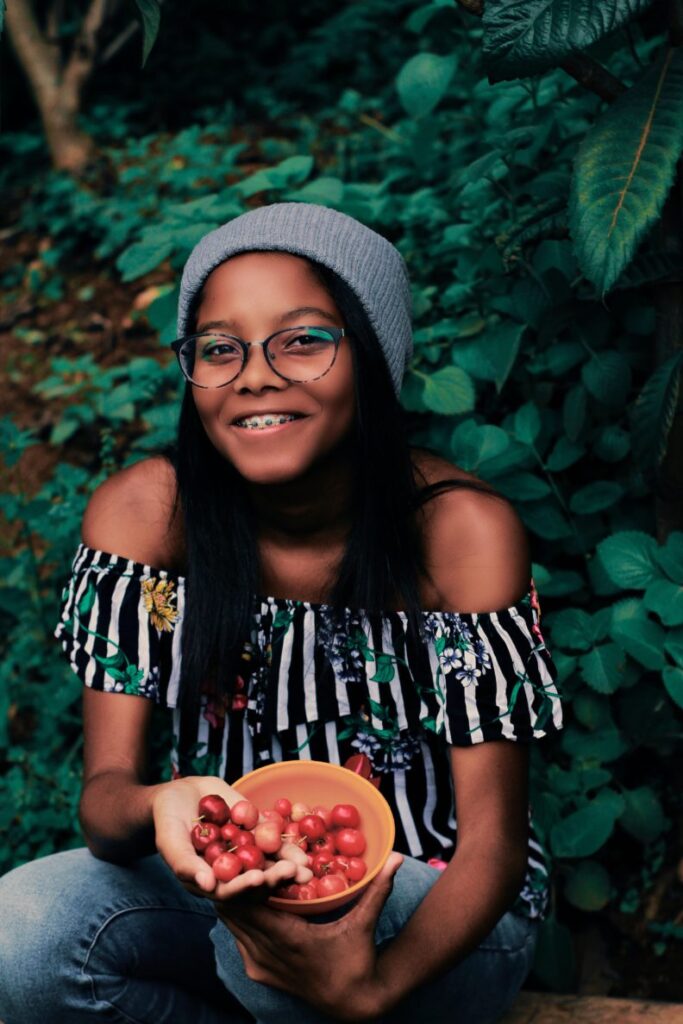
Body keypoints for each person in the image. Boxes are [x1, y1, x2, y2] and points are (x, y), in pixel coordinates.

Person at [0, 202, 564, 1024]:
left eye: (303, 339)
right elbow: (105, 802)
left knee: (282, 928)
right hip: (230, 888)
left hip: (434, 911)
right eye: (219, 350)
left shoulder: (457, 533)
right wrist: (158, 803)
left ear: (373, 358)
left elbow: (491, 846)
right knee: (24, 931)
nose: (255, 375)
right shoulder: (149, 516)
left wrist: (372, 987)